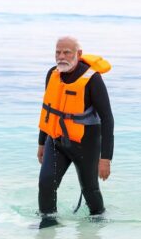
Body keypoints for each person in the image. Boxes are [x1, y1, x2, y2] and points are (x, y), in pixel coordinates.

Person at [37, 36, 114, 220]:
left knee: (90, 190)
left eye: (66, 52)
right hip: (56, 140)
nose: (61, 56)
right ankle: (48, 223)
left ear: (78, 54)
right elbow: (49, 110)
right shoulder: (52, 74)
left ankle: (97, 223)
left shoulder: (92, 79)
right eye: (58, 52)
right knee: (46, 183)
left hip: (85, 144)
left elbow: (107, 119)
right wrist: (41, 143)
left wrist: (106, 159)